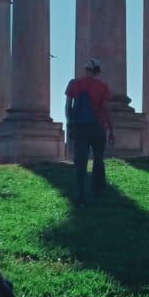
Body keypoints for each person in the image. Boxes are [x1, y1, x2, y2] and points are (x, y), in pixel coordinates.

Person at [64, 58, 114, 204]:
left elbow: (67, 107)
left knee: (81, 161)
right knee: (98, 159)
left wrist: (70, 124)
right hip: (97, 127)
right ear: (97, 71)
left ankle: (80, 192)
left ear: (85, 70)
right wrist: (111, 129)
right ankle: (97, 190)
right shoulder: (103, 86)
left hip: (79, 128)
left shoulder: (74, 84)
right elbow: (106, 109)